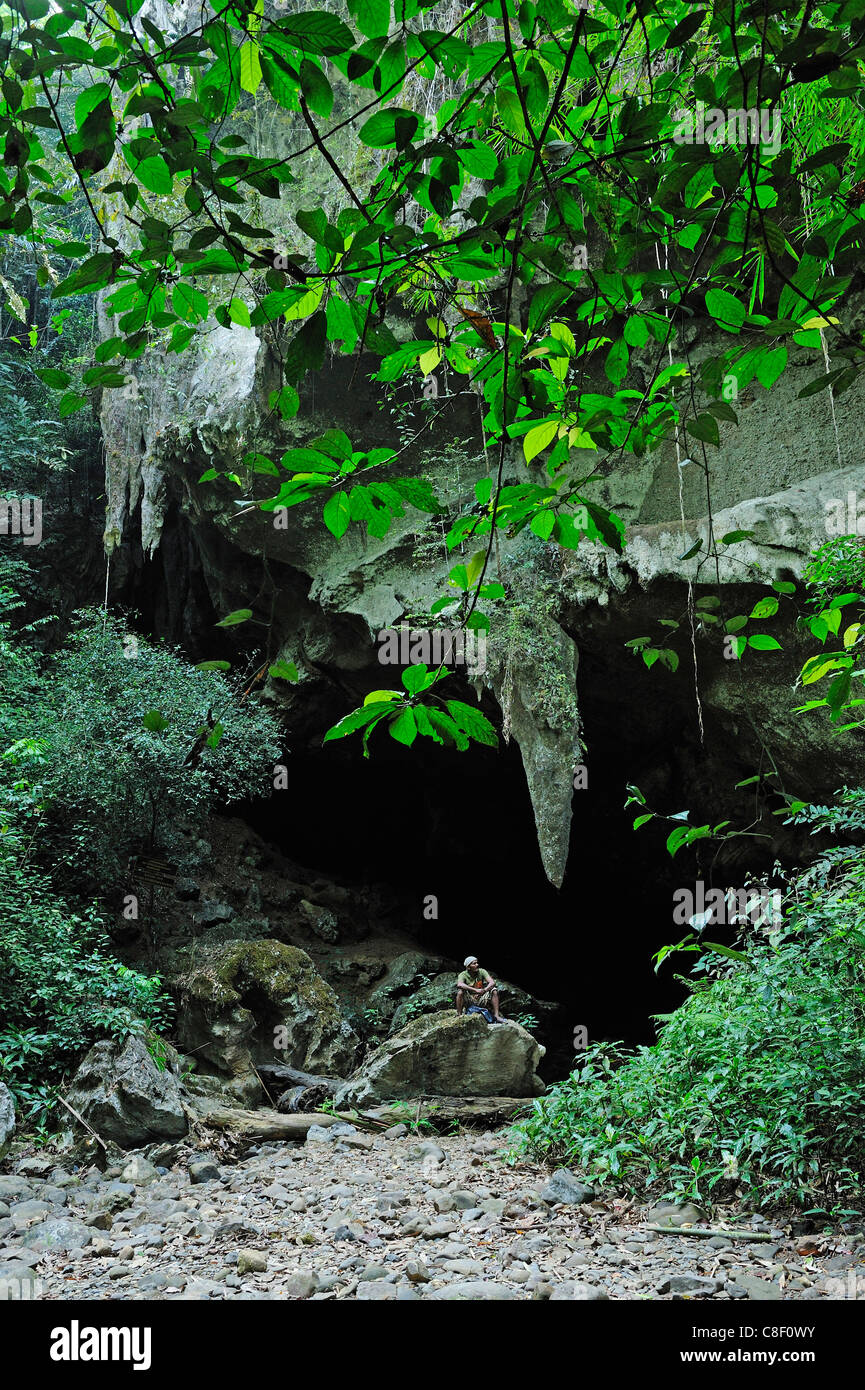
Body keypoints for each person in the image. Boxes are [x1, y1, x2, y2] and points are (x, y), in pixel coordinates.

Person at [456, 957, 506, 1022]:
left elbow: (492, 982)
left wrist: (484, 990)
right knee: (460, 992)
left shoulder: (482, 971)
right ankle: (459, 1015)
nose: (477, 965)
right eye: (474, 964)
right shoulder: (463, 974)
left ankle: (496, 1016)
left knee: (494, 990)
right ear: (468, 967)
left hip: (481, 998)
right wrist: (475, 990)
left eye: (477, 963)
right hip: (470, 1000)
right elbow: (459, 984)